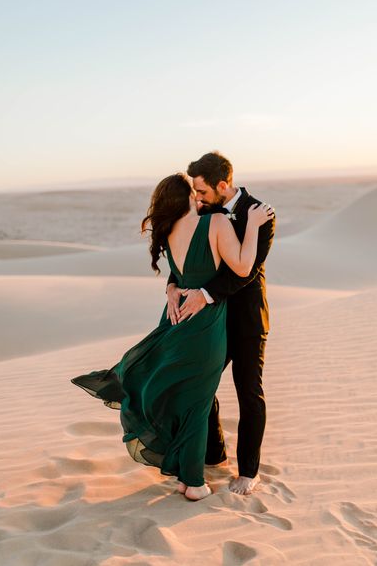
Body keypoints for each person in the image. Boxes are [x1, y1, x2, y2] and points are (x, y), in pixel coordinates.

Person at [71, 172, 273, 501]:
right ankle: (194, 483)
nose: (199, 196)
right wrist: (251, 225)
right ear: (186, 197)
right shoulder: (217, 224)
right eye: (194, 192)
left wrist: (170, 289)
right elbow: (243, 266)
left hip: (177, 321)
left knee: (189, 396)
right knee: (196, 402)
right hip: (206, 326)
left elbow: (177, 275)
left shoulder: (169, 233)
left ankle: (186, 476)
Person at [166, 152, 276, 495]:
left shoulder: (261, 215)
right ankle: (214, 454)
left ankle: (249, 471)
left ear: (222, 185)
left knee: (249, 393)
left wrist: (206, 294)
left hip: (245, 320)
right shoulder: (208, 212)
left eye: (201, 191)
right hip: (213, 321)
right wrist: (172, 284)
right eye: (195, 192)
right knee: (202, 387)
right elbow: (192, 252)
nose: (197, 198)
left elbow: (247, 271)